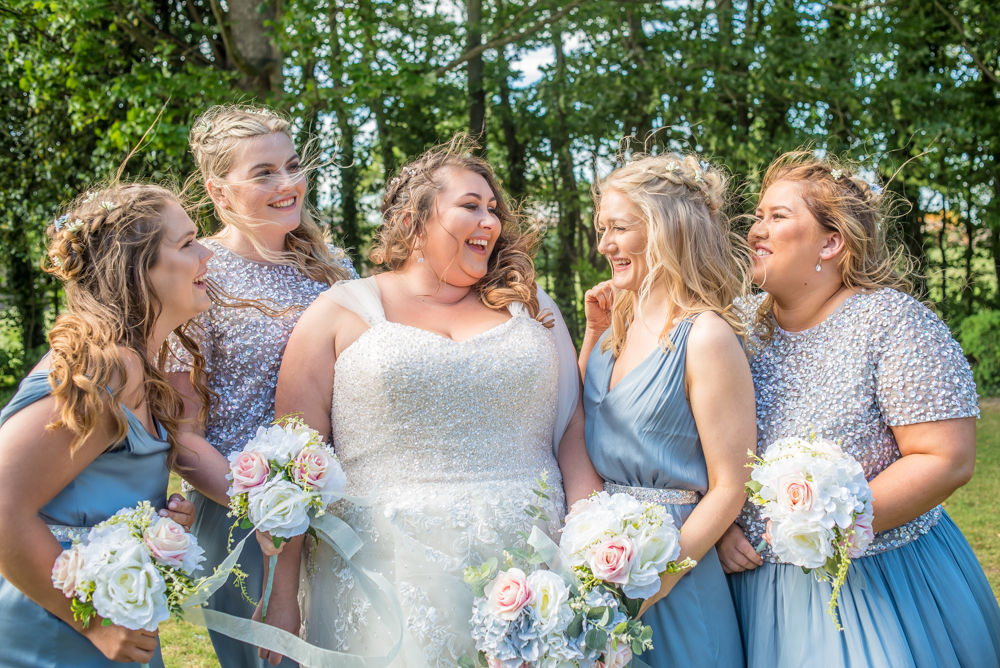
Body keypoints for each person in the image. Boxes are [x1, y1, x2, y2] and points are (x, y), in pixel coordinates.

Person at [263, 136, 602, 665]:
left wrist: (590, 555)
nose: (489, 221)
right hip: (384, 577)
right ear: (411, 222)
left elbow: (573, 436)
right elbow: (294, 472)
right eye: (470, 206)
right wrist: (282, 599)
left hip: (529, 565)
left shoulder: (532, 310)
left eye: (493, 209)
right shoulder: (338, 313)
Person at [716, 151, 1000, 667]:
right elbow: (683, 440)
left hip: (874, 588)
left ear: (831, 241)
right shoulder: (730, 328)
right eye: (758, 215)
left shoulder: (892, 322)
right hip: (747, 593)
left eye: (778, 216)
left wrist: (830, 527)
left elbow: (946, 458)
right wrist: (718, 524)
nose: (756, 229)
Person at [0, 183, 228, 667]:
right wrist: (96, 626)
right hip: (57, 635)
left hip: (109, 624)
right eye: (187, 243)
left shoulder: (140, 367)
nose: (207, 252)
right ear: (136, 268)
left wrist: (152, 524)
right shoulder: (106, 366)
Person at [166, 104, 357, 668]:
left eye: (293, 165)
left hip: (343, 508)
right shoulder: (198, 276)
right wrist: (273, 510)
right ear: (219, 192)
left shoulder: (334, 269)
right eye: (264, 172)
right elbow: (182, 436)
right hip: (245, 524)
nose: (289, 183)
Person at [578, 153, 752, 666]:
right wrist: (591, 336)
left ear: (666, 229)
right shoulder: (614, 333)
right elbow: (586, 418)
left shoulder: (705, 336)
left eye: (618, 228)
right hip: (603, 564)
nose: (604, 244)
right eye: (601, 228)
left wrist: (656, 579)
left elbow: (730, 487)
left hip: (675, 572)